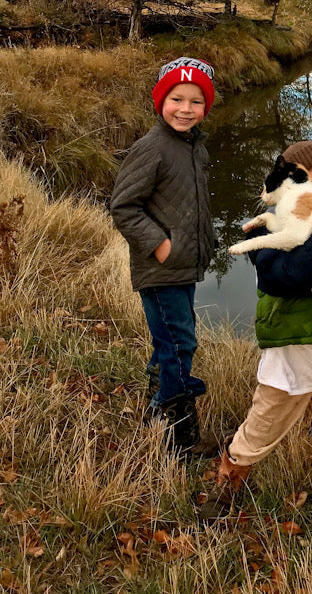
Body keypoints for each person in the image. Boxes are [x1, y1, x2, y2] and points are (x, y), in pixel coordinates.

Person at [200, 140, 312, 520]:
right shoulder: (265, 235)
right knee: (261, 427)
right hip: (288, 365)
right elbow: (284, 279)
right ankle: (229, 480)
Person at [110, 56, 217, 455]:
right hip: (160, 268)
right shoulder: (152, 147)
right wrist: (159, 243)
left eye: (196, 102)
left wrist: (206, 242)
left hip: (183, 266)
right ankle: (177, 433)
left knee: (170, 341)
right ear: (160, 101)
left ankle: (158, 406)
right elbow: (123, 206)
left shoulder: (193, 147)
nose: (186, 110)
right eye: (177, 99)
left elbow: (192, 205)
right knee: (180, 342)